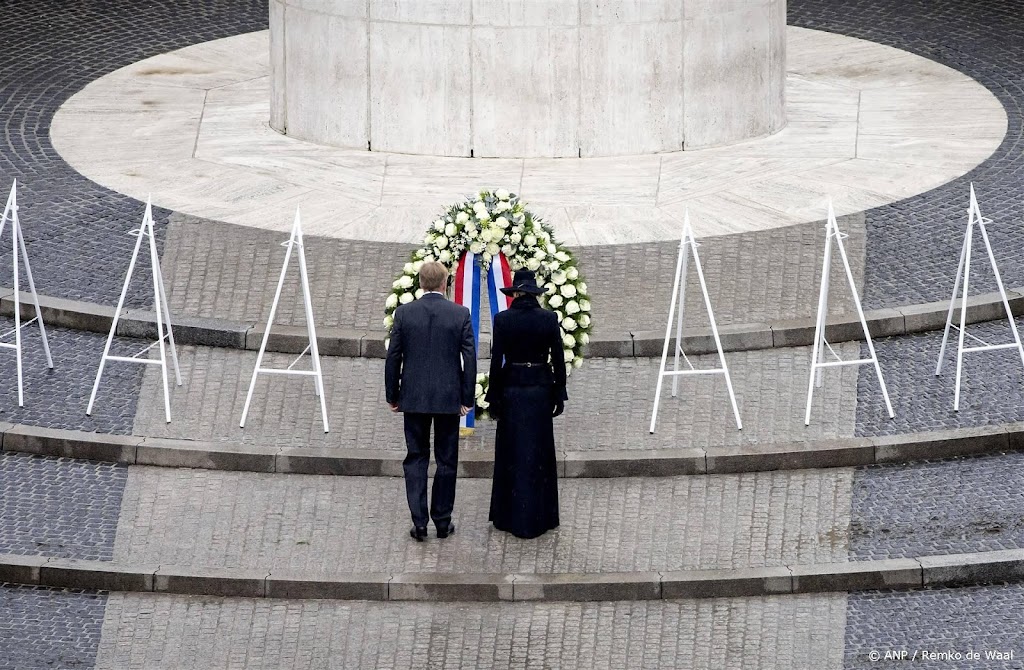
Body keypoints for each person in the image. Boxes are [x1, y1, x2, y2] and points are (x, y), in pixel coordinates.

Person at [385, 261, 476, 541]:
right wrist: (467, 397)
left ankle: (419, 522)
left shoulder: (404, 313)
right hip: (448, 398)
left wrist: (393, 394)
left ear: (421, 283)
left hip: (413, 398)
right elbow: (470, 359)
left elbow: (393, 357)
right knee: (446, 460)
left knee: (416, 458)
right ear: (444, 283)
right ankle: (442, 520)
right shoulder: (460, 313)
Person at [485, 269, 567, 539]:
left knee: (512, 452)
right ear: (534, 293)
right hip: (540, 390)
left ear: (516, 293)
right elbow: (557, 358)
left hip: (512, 390)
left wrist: (493, 397)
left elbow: (497, 361)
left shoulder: (503, 320)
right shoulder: (548, 318)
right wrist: (559, 393)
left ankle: (509, 516)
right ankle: (541, 516)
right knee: (540, 453)